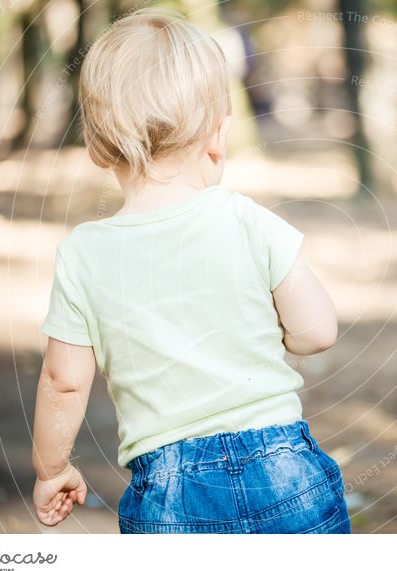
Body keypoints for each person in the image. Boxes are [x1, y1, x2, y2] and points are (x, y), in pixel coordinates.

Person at [30, 7, 349, 534]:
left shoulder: (83, 254)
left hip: (170, 492)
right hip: (285, 469)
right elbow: (318, 332)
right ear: (217, 138)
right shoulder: (247, 219)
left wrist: (52, 468)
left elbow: (63, 381)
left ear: (97, 146)